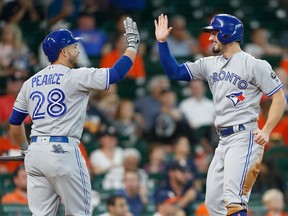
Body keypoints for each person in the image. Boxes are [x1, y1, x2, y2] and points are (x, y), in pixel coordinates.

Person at [154, 13, 287, 216]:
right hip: (223, 140)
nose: (210, 38)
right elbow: (176, 72)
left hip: (244, 137)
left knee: (234, 201)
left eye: (214, 33)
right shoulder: (210, 63)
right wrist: (162, 43)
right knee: (214, 204)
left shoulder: (254, 65)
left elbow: (279, 98)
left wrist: (267, 130)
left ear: (227, 34)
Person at [8, 16, 140, 216]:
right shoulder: (75, 76)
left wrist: (25, 149)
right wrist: (132, 46)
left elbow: (15, 123)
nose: (77, 49)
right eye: (73, 45)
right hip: (63, 151)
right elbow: (116, 74)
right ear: (63, 51)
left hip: (35, 153)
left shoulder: (30, 82)